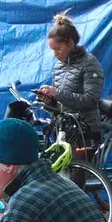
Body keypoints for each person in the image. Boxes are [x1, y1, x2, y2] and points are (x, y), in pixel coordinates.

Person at [37, 12, 104, 146]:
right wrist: (49, 101)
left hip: (84, 131)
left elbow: (91, 100)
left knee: (77, 167)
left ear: (70, 43)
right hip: (63, 130)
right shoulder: (58, 66)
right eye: (52, 50)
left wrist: (57, 93)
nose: (55, 53)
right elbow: (60, 104)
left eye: (57, 49)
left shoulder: (89, 63)